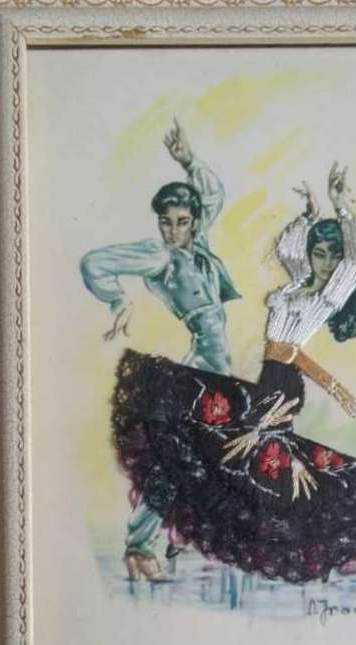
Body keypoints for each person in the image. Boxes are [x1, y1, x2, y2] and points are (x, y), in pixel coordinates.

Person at [110, 164, 356, 585]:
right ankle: (173, 535)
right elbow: (290, 255)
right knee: (201, 442)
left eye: (332, 255)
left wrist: (343, 209)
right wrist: (309, 216)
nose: (325, 262)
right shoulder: (296, 285)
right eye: (319, 252)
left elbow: (354, 265)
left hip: (279, 387)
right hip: (271, 382)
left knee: (226, 453)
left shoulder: (327, 297)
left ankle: (180, 535)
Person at [81, 120, 241, 581]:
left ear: (194, 223)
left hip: (216, 371)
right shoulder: (160, 255)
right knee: (176, 462)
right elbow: (94, 263)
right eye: (166, 222)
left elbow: (213, 195)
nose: (173, 231)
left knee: (213, 460)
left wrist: (188, 161)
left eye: (182, 222)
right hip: (200, 372)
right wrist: (117, 300)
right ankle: (140, 548)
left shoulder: (198, 242)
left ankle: (175, 537)